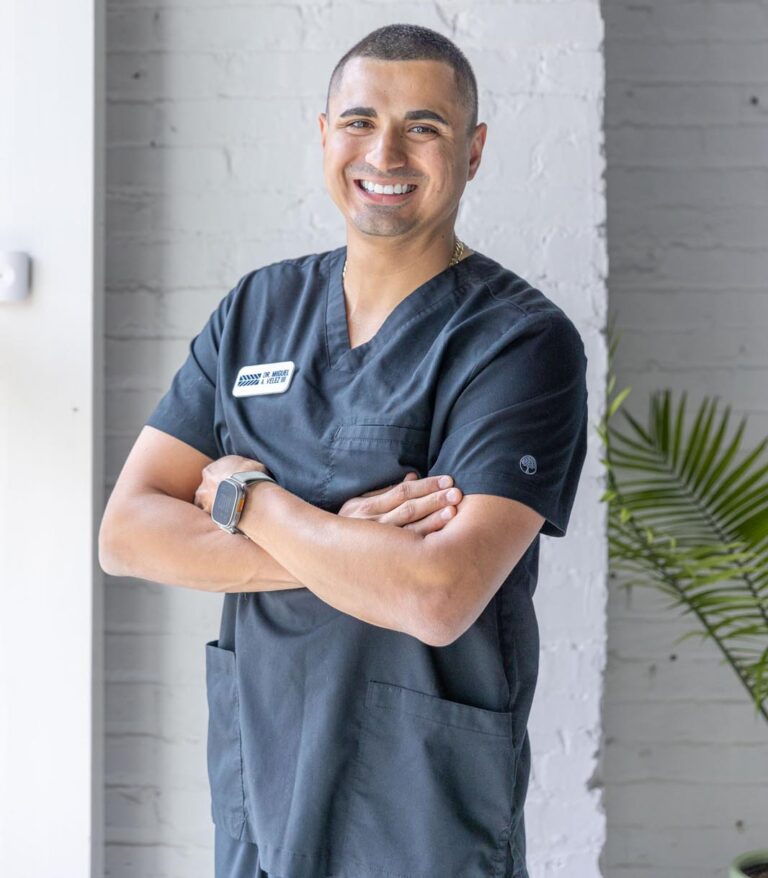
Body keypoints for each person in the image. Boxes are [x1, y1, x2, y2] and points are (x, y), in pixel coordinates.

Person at [99, 22, 588, 878]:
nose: (384, 153)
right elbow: (127, 534)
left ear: (473, 151)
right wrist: (346, 543)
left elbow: (438, 595)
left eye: (423, 127)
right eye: (359, 122)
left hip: (416, 805)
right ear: (325, 135)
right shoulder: (256, 310)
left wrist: (251, 501)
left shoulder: (520, 343)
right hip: (261, 782)